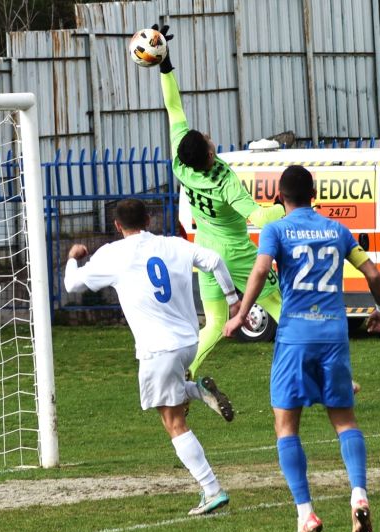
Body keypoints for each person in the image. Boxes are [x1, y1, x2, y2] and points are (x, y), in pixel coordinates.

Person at [223, 165, 380, 532]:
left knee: (286, 426)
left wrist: (242, 314)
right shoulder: (337, 229)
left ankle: (305, 513)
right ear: (314, 194)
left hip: (295, 335)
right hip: (333, 334)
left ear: (280, 197)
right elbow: (374, 275)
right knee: (345, 421)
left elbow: (262, 269)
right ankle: (359, 493)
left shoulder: (276, 229)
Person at [64, 198, 238, 516]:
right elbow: (214, 260)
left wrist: (73, 259)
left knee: (173, 421)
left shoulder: (113, 254)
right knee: (171, 396)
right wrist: (232, 300)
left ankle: (212, 489)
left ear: (118, 226)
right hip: (188, 343)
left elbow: (72, 285)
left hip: (158, 349)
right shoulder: (174, 245)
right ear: (149, 219)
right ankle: (197, 390)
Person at [153, 24, 286, 385]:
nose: (210, 138)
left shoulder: (182, 162)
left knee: (212, 322)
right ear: (209, 152)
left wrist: (165, 63)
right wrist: (283, 206)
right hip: (234, 251)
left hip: (204, 249)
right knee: (281, 306)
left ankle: (187, 372)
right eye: (209, 141)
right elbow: (258, 216)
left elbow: (173, 106)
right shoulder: (225, 182)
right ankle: (314, 366)